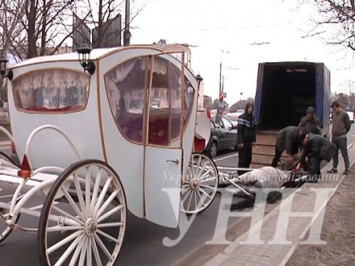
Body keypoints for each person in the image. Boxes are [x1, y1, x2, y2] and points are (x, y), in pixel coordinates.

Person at [327, 101, 351, 175]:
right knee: (334, 153)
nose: (334, 110)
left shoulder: (344, 114)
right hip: (334, 137)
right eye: (333, 109)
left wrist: (344, 132)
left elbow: (348, 125)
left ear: (338, 107)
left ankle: (347, 168)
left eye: (335, 109)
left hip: (341, 137)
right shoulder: (333, 115)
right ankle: (334, 168)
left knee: (344, 153)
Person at [235, 102, 256, 175]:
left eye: (251, 108)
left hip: (249, 141)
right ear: (246, 108)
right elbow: (239, 130)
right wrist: (240, 142)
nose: (250, 110)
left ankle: (245, 173)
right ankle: (240, 174)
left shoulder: (252, 118)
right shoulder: (242, 117)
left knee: (248, 159)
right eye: (249, 108)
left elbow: (254, 130)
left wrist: (254, 140)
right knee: (242, 159)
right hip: (243, 141)